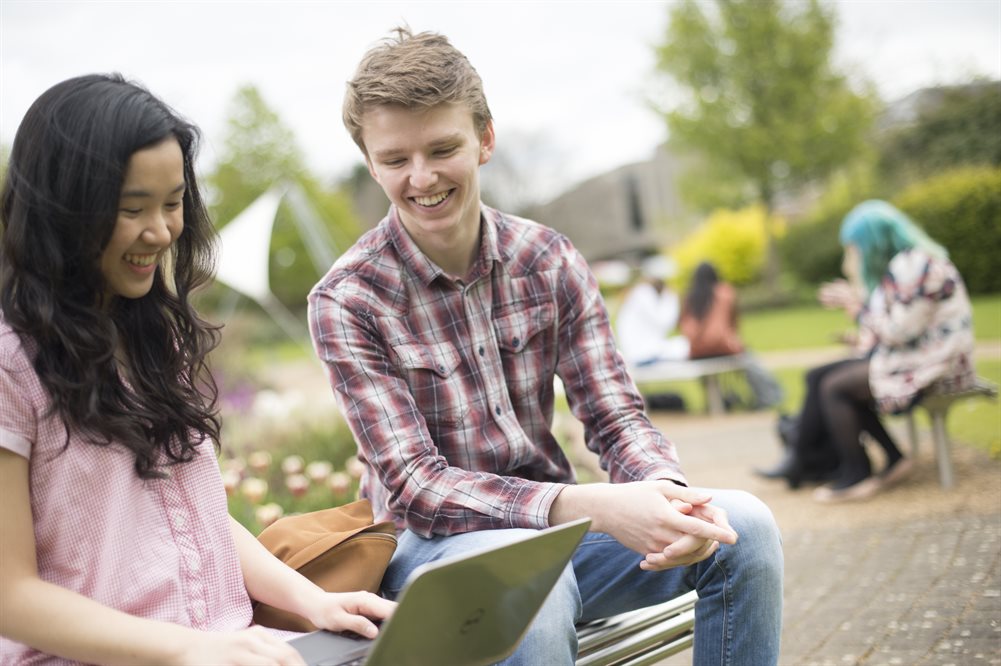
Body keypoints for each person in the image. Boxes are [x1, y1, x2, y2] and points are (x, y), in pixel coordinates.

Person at [308, 28, 783, 665]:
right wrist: (588, 505)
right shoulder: (347, 298)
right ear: (371, 161)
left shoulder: (549, 260)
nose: (420, 178)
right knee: (531, 588)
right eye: (395, 160)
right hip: (431, 551)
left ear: (485, 139)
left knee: (741, 528)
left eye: (442, 148)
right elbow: (418, 485)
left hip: (558, 537)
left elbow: (615, 416)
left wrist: (668, 495)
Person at [0, 74, 394, 665]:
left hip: (227, 646)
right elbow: (11, 595)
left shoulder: (156, 337)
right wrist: (189, 650)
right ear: (64, 208)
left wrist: (315, 604)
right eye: (132, 209)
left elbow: (198, 522)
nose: (160, 231)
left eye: (173, 203)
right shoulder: (12, 363)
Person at [804, 200, 975, 503]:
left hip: (937, 366)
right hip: (923, 359)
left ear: (872, 241)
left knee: (835, 386)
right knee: (828, 377)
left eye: (854, 247)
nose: (853, 255)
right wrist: (859, 329)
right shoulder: (906, 264)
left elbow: (898, 332)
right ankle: (886, 459)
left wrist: (856, 307)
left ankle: (858, 472)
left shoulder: (914, 264)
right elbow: (898, 329)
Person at [678, 261, 783, 409]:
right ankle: (768, 397)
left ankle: (714, 401)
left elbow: (683, 326)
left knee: (710, 372)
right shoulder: (724, 292)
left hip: (697, 351)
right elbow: (733, 323)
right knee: (749, 360)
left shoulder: (689, 297)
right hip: (724, 348)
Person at [615, 254, 690, 366]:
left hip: (644, 350)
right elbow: (665, 322)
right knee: (683, 345)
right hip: (641, 353)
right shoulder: (644, 293)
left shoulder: (642, 293)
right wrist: (671, 297)